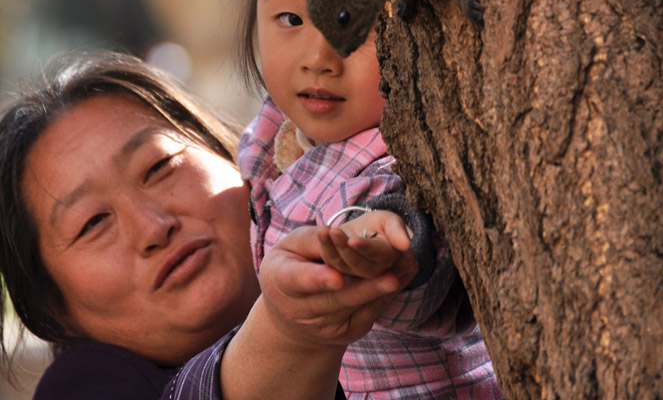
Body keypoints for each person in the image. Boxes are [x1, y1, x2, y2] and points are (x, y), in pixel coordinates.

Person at [237, 0, 504, 400]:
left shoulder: (406, 153)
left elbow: (419, 265)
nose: (319, 55)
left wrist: (379, 250)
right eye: (290, 18)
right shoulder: (276, 133)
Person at [0, 52, 419, 400]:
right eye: (92, 223)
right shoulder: (82, 388)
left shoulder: (360, 195)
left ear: (233, 155)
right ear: (54, 311)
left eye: (159, 166)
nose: (153, 227)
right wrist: (291, 332)